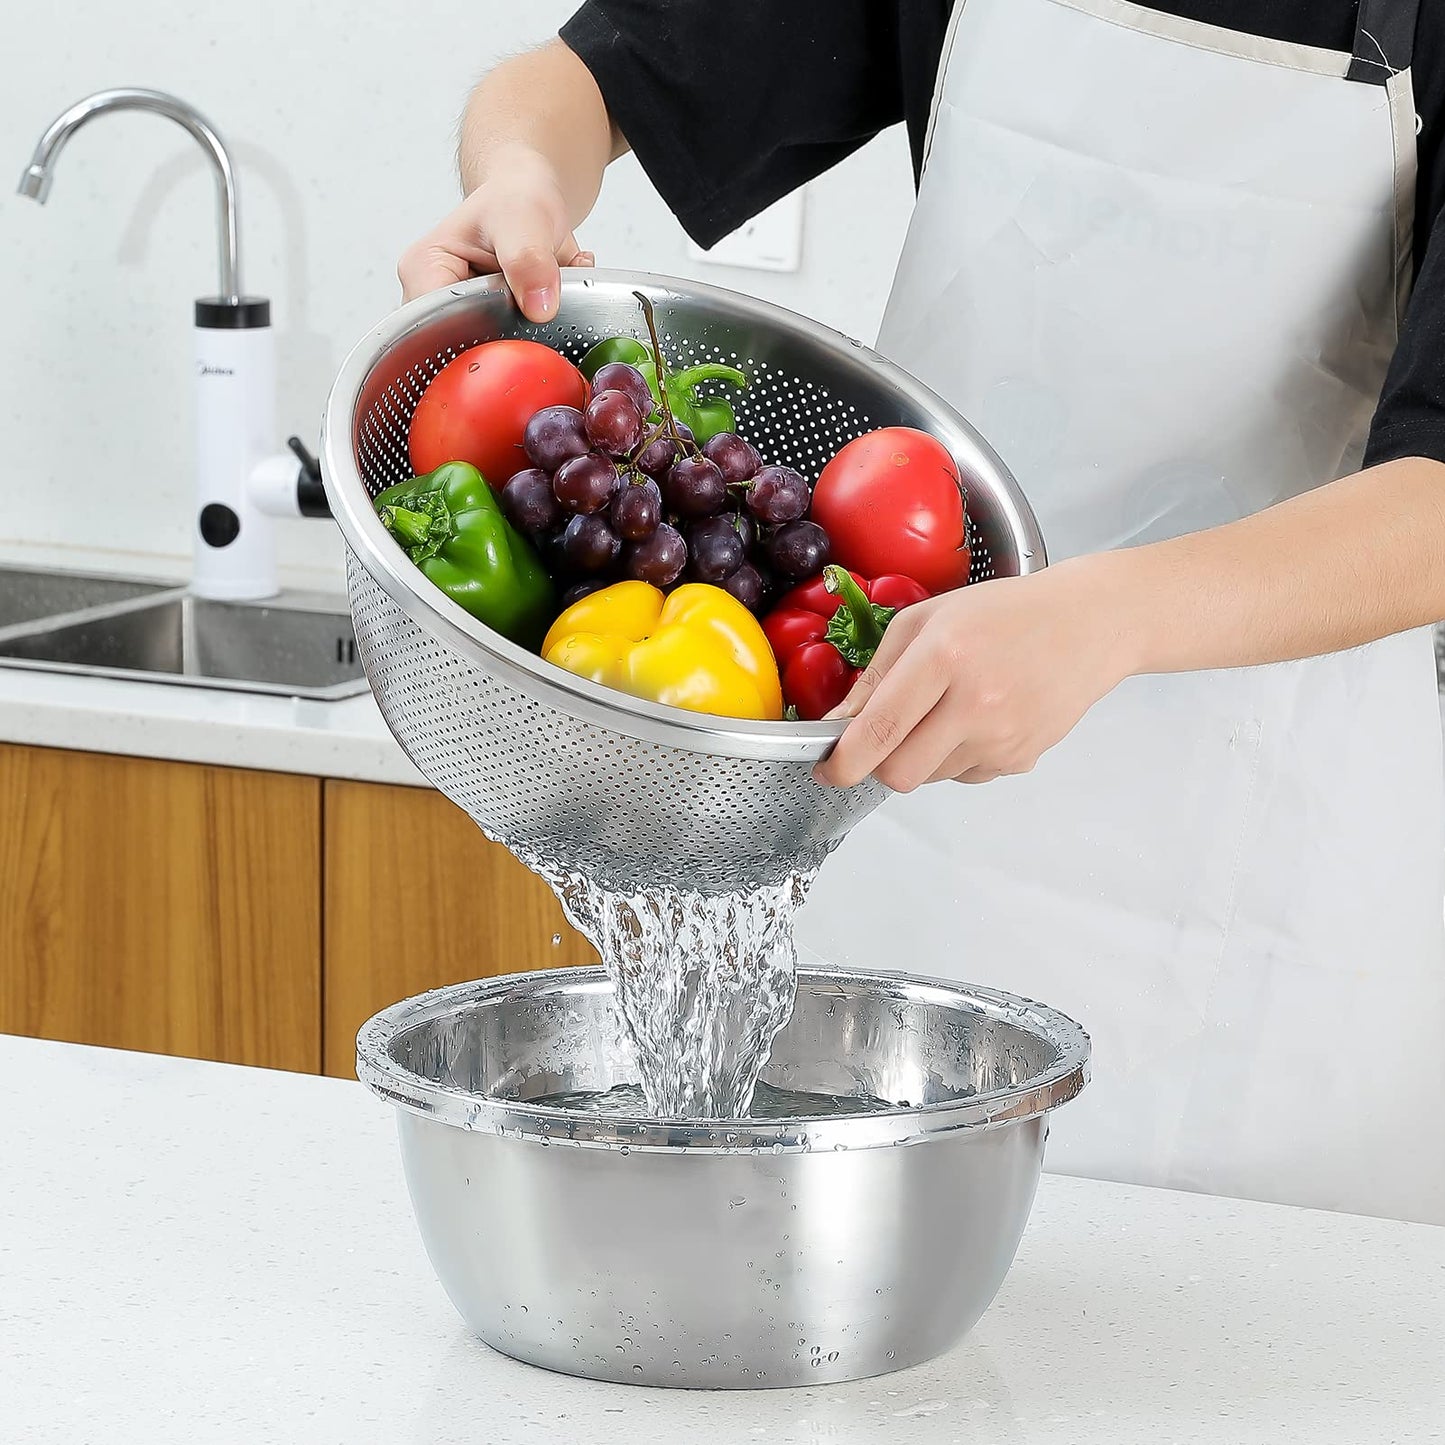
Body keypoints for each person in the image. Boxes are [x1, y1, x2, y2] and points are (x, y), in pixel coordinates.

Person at [400, 2, 1445, 1226]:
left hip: (1277, 891)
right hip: (913, 799)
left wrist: (1099, 614)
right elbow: (581, 78)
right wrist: (517, 177)